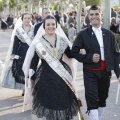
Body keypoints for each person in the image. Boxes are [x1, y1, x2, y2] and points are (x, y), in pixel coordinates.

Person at [22, 15, 84, 120]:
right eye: (48, 25)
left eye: (53, 24)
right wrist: (30, 76)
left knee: (64, 101)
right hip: (45, 77)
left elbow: (69, 54)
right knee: (49, 103)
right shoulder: (38, 42)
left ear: (56, 25)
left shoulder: (62, 40)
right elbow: (34, 62)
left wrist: (79, 52)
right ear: (44, 26)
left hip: (62, 77)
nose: (51, 27)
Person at [71, 5, 120, 120]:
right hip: (90, 73)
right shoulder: (83, 34)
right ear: (88, 16)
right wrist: (89, 57)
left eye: (96, 14)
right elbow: (74, 51)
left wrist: (119, 74)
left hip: (105, 73)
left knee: (102, 99)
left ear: (101, 15)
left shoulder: (109, 34)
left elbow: (116, 54)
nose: (94, 17)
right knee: (92, 100)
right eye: (91, 14)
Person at [1, 13, 34, 94]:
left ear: (31, 19)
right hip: (22, 52)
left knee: (31, 70)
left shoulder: (34, 29)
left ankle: (30, 88)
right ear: (22, 20)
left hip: (32, 52)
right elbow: (16, 43)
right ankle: (24, 88)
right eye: (25, 18)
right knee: (23, 70)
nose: (27, 20)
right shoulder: (18, 30)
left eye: (28, 18)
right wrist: (13, 54)